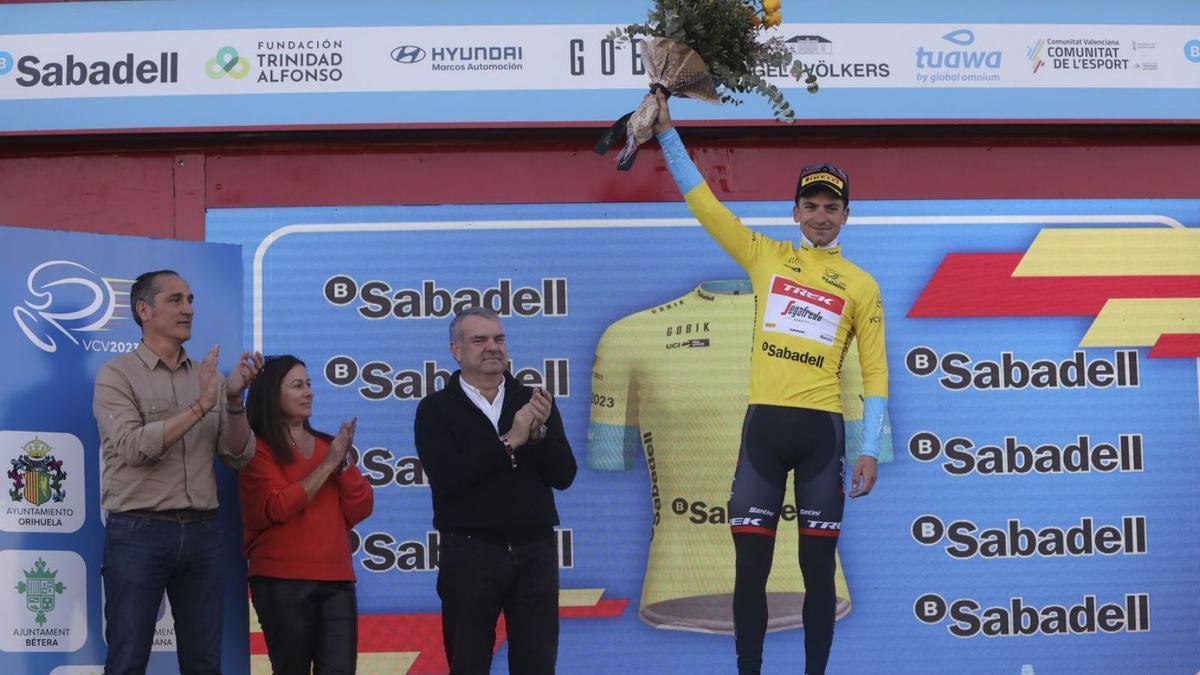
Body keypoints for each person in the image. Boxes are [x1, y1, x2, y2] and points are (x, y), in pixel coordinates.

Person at [652, 92, 889, 675]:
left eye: (832, 207)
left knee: (816, 575)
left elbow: (877, 372)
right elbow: (707, 207)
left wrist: (868, 449)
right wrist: (666, 135)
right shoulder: (765, 257)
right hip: (763, 433)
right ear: (795, 211)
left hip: (821, 438)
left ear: (847, 215)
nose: (821, 215)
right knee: (750, 572)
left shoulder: (861, 285)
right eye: (811, 204)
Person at [93, 269, 263, 675]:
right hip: (138, 532)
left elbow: (238, 456)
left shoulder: (210, 378)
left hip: (204, 532)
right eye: (175, 300)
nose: (188, 309)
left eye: (190, 300)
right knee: (127, 660)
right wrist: (201, 407)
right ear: (144, 309)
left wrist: (234, 398)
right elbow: (134, 448)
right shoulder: (116, 375)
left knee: (204, 663)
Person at [413, 306, 577, 675]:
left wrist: (539, 435)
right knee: (468, 662)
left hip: (534, 551)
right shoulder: (436, 409)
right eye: (480, 340)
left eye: (499, 338)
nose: (492, 347)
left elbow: (564, 475)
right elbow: (448, 478)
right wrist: (511, 440)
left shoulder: (534, 401)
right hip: (470, 551)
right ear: (456, 350)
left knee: (537, 663)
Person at [239, 355, 374, 675]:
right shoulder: (256, 449)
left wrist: (342, 464)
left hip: (338, 582)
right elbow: (278, 506)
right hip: (281, 583)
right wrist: (328, 463)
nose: (308, 392)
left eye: (309, 384)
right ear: (273, 394)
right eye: (297, 385)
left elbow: (361, 507)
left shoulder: (330, 445)